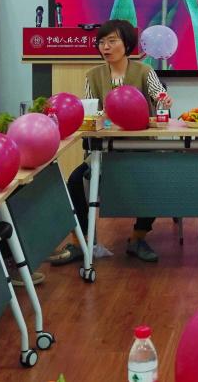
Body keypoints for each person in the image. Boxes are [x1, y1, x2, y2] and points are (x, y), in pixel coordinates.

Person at [57, 19, 168, 264]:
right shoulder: (93, 75)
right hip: (105, 151)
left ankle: (138, 238)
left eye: (111, 41)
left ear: (126, 44)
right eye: (101, 42)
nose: (105, 47)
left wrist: (163, 100)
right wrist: (104, 116)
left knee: (156, 181)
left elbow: (158, 95)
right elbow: (90, 113)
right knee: (75, 181)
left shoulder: (144, 71)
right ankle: (82, 241)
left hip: (141, 149)